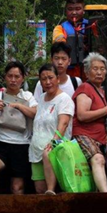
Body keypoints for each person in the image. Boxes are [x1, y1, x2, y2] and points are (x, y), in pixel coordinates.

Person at [0, 61, 38, 195]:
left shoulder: (28, 96)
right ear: (5, 77)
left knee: (17, 186)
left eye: (17, 76)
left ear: (23, 78)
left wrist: (20, 106)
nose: (13, 80)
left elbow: (35, 114)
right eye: (10, 76)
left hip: (22, 145)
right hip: (0, 143)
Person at [29, 64, 75, 195]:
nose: (47, 82)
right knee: (39, 190)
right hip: (36, 152)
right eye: (43, 79)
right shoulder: (41, 99)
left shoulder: (64, 99)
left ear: (58, 79)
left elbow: (64, 123)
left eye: (50, 77)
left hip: (55, 150)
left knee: (54, 191)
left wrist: (53, 142)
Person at [71, 52, 107, 193]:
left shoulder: (101, 90)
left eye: (102, 69)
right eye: (95, 69)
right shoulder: (85, 88)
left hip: (99, 138)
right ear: (87, 72)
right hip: (84, 134)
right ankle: (106, 197)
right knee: (98, 159)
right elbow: (82, 115)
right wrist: (106, 110)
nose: (99, 72)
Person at [53, 0, 88, 79]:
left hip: (88, 71)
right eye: (70, 9)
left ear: (83, 10)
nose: (74, 13)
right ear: (66, 11)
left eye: (78, 9)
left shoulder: (91, 26)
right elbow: (59, 46)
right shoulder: (60, 28)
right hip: (68, 72)